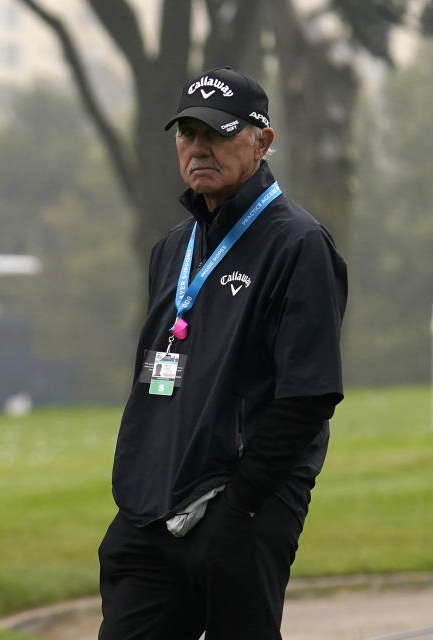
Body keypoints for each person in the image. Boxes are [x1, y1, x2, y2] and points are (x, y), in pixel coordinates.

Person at [97, 67, 347, 639]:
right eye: (187, 132)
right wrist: (136, 495)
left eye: (217, 131)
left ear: (263, 140)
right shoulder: (172, 248)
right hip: (152, 511)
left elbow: (308, 395)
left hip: (243, 511)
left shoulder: (299, 243)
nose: (199, 146)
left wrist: (240, 508)